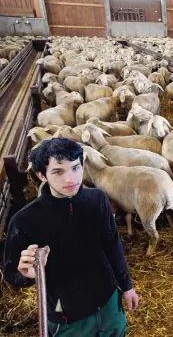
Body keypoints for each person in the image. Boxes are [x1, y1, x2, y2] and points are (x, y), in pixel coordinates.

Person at [3, 138, 139, 337]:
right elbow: (10, 272)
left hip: (107, 299)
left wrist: (126, 287)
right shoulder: (24, 221)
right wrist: (27, 275)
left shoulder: (97, 199)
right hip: (68, 314)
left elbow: (112, 246)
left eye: (76, 168)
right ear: (42, 175)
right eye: (58, 171)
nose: (70, 179)